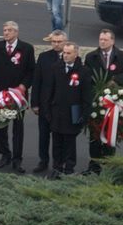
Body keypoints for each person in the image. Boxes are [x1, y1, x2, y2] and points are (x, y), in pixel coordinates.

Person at [84, 28, 123, 174]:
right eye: (100, 39)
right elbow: (86, 75)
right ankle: (93, 165)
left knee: (110, 133)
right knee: (95, 134)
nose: (102, 42)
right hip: (97, 101)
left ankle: (108, 163)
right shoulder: (91, 57)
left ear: (112, 41)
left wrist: (115, 81)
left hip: (114, 102)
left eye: (105, 40)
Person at [0, 22, 35, 172]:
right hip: (0, 95)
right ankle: (5, 154)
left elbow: (31, 71)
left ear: (16, 32)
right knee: (1, 126)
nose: (6, 33)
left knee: (18, 128)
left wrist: (23, 86)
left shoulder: (26, 48)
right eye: (4, 30)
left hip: (18, 95)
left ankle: (17, 159)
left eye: (9, 30)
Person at [38, 40, 88, 178]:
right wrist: (47, 111)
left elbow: (86, 96)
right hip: (56, 113)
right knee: (57, 142)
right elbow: (49, 90)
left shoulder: (83, 71)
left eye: (68, 53)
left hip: (73, 113)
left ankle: (69, 168)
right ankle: (57, 167)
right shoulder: (56, 68)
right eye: (64, 53)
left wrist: (84, 115)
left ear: (76, 53)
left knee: (69, 143)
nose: (65, 56)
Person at [29, 30, 67, 174]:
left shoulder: (70, 57)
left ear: (65, 42)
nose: (56, 44)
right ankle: (43, 161)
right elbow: (37, 81)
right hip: (45, 104)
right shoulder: (43, 57)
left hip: (61, 106)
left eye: (59, 42)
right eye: (54, 42)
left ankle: (59, 163)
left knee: (59, 137)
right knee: (43, 136)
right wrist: (35, 103)